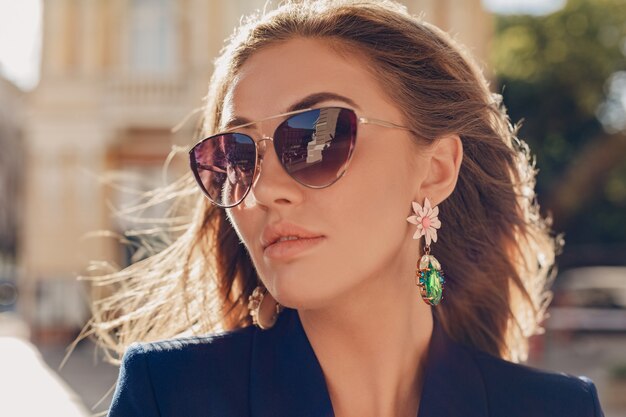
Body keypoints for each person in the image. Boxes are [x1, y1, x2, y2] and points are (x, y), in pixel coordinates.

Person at [99, 1, 605, 416]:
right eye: (236, 157)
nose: (262, 191)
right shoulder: (169, 396)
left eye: (318, 137)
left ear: (435, 170)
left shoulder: (556, 409)